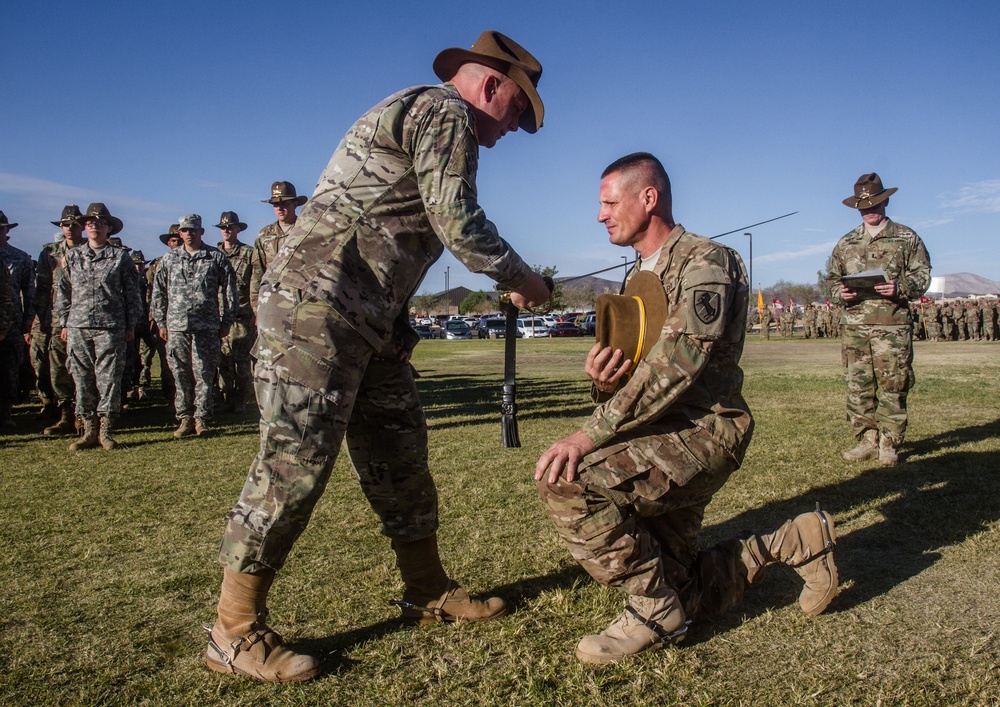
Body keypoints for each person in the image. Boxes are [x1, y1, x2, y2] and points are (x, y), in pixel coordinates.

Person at [208, 30, 551, 683]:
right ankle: (232, 631)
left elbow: (387, 230)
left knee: (401, 453)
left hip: (368, 320)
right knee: (295, 464)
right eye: (517, 111)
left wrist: (396, 322)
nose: (512, 129)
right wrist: (523, 278)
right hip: (318, 310)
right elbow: (457, 220)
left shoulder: (425, 117)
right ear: (492, 83)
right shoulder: (442, 111)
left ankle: (427, 589)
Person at [534, 153, 838, 665]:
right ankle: (792, 542)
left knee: (568, 481)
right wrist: (603, 383)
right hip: (654, 433)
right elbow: (637, 375)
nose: (600, 215)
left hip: (702, 432)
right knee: (686, 590)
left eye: (609, 203)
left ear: (647, 198)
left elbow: (678, 363)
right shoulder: (635, 281)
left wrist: (589, 434)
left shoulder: (706, 262)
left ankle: (650, 608)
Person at [826, 173, 931, 466]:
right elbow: (831, 279)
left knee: (893, 382)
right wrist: (840, 293)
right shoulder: (846, 242)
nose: (869, 210)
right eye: (863, 207)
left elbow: (922, 275)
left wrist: (900, 288)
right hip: (855, 324)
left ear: (885, 202)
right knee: (858, 384)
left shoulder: (907, 238)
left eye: (874, 204)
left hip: (892, 324)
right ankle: (867, 439)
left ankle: (889, 441)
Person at [55, 203, 141, 450]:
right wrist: (64, 322)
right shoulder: (72, 256)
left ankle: (106, 431)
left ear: (109, 228)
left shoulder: (120, 257)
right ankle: (88, 430)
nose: (94, 226)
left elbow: (132, 294)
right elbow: (63, 291)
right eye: (90, 223)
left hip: (110, 326)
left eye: (100, 222)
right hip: (78, 326)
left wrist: (130, 324)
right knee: (81, 378)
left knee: (109, 378)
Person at [151, 214, 238, 438]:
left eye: (193, 230)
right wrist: (161, 321)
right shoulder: (169, 260)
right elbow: (158, 293)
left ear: (201, 232)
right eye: (185, 230)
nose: (189, 234)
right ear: (179, 234)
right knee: (180, 373)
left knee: (205, 374)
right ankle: (185, 418)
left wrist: (226, 320)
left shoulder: (215, 257)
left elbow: (229, 292)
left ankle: (202, 419)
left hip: (207, 326)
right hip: (177, 326)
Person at [35, 206, 86, 435]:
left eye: (74, 225)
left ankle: (84, 414)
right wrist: (42, 320)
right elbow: (43, 289)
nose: (69, 229)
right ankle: (66, 413)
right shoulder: (50, 252)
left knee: (84, 367)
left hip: (85, 318)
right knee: (58, 368)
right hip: (57, 319)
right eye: (65, 225)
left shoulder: (90, 249)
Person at [214, 212, 256, 414]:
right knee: (223, 362)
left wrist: (255, 313)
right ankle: (226, 398)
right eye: (223, 228)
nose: (226, 230)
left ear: (238, 229)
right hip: (219, 317)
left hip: (242, 317)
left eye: (230, 227)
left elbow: (256, 283)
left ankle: (240, 401)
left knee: (242, 364)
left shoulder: (249, 254)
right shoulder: (213, 255)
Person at [248, 181, 306, 315]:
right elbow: (257, 273)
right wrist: (256, 308)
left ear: (295, 204)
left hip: (300, 303)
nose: (280, 208)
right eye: (276, 205)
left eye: (284, 204)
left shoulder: (305, 230)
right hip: (271, 303)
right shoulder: (264, 235)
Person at [0, 211, 35, 429]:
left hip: (11, 323)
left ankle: (5, 412)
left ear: (7, 231)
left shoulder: (20, 258)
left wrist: (27, 324)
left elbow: (29, 293)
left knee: (8, 370)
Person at [145, 225, 180, 403]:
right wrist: (154, 318)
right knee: (166, 360)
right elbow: (152, 293)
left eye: (179, 239)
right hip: (165, 319)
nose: (177, 243)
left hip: (186, 319)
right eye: (174, 240)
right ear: (168, 242)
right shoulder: (158, 264)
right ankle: (168, 396)